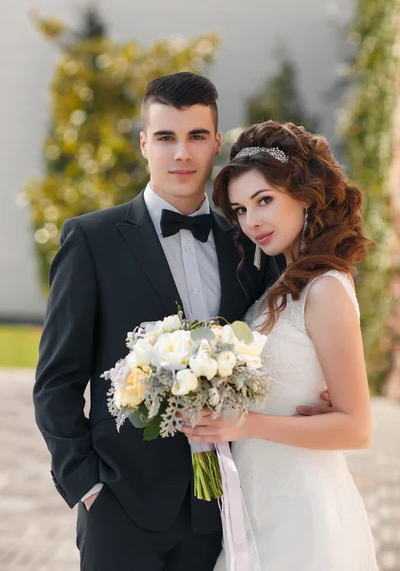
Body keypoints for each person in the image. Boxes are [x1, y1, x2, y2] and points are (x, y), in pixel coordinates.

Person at [33, 72, 281, 571]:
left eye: (195, 136)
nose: (181, 154)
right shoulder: (91, 240)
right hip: (119, 507)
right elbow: (56, 382)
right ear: (145, 143)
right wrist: (87, 486)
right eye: (166, 137)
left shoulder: (248, 242)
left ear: (216, 143)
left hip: (221, 510)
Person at [182, 120, 378, 570]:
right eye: (241, 209)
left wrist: (245, 424)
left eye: (264, 200)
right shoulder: (282, 286)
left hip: (302, 511)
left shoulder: (325, 289)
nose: (252, 221)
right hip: (256, 501)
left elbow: (358, 428)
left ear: (305, 196)